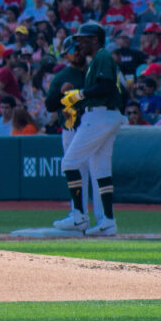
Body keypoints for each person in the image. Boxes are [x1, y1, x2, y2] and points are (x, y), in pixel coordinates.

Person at [55, 22, 126, 237]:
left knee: (69, 163)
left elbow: (105, 86)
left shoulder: (102, 56)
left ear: (94, 39)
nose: (80, 43)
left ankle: (78, 216)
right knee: (100, 169)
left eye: (83, 39)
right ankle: (107, 222)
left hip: (101, 115)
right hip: (104, 114)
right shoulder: (97, 59)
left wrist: (80, 94)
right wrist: (79, 98)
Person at [45, 35, 102, 222]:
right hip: (71, 127)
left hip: (93, 127)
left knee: (97, 172)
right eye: (71, 51)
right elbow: (50, 105)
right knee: (76, 172)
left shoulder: (93, 72)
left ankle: (101, 217)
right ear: (65, 55)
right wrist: (62, 94)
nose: (76, 53)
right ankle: (78, 215)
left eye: (77, 49)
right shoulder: (62, 77)